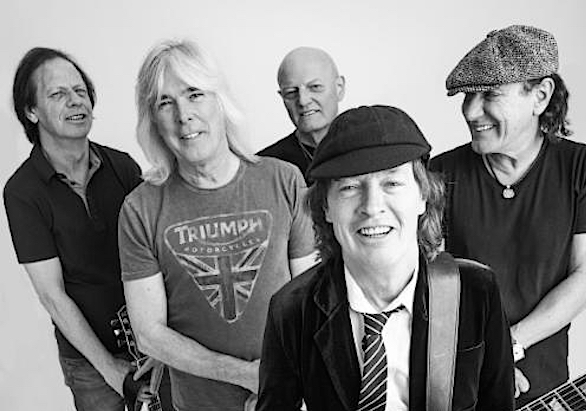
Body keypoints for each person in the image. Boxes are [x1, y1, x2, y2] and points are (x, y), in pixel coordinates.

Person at [257, 105, 515, 411]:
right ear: (325, 207)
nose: (372, 206)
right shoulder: (292, 309)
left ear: (423, 195)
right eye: (349, 187)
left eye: (391, 184)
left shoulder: (475, 291)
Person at [118, 39, 318, 411]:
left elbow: (311, 299)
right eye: (165, 102)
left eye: (195, 94)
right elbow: (149, 334)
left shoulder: (284, 181)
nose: (184, 115)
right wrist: (244, 374)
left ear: (220, 101)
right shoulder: (139, 209)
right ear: (153, 121)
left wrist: (281, 380)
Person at [430, 25, 586, 407]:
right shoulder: (440, 174)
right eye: (468, 96)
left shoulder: (584, 167)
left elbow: (585, 279)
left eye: (489, 94)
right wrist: (485, 359)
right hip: (460, 379)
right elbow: (430, 288)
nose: (471, 111)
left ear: (540, 96)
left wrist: (509, 345)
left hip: (547, 383)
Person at [3, 47, 146, 410]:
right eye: (58, 93)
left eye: (80, 90)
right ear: (31, 111)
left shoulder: (123, 167)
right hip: (89, 363)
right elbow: (52, 295)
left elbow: (155, 256)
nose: (75, 101)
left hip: (152, 344)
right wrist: (110, 369)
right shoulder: (22, 192)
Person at [257, 47, 345, 177]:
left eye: (315, 87)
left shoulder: (368, 148)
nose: (303, 101)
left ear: (339, 88)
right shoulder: (265, 167)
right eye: (291, 92)